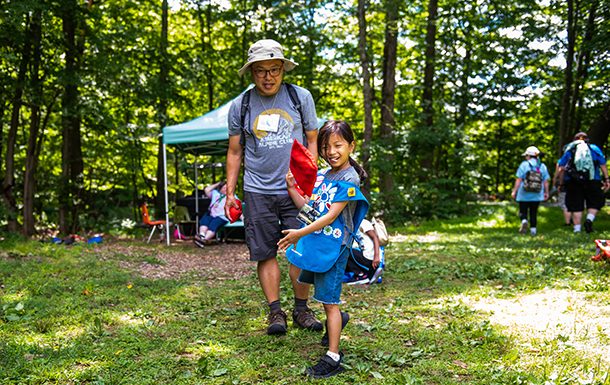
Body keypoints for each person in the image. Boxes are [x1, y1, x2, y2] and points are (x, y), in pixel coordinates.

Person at [224, 39, 321, 335]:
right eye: (261, 71)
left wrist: (311, 183)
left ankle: (301, 310)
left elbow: (313, 139)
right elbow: (234, 151)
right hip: (257, 190)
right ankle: (275, 312)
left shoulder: (300, 97)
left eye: (274, 69)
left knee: (300, 250)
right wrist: (229, 192)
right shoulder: (241, 106)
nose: (268, 77)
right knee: (265, 252)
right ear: (252, 73)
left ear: (283, 70)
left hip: (296, 190)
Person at [279, 120, 369, 379]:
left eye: (338, 145)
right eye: (326, 147)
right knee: (323, 296)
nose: (331, 151)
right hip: (318, 247)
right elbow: (310, 211)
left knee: (328, 302)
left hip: (334, 249)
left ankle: (333, 357)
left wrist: (298, 233)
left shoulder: (349, 178)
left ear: (351, 146)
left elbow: (330, 217)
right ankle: (338, 318)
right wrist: (291, 189)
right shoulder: (323, 176)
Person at [557, 132, 610, 233]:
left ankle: (577, 229)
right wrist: (606, 179)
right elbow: (603, 165)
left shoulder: (570, 149)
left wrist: (561, 183)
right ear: (587, 140)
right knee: (594, 202)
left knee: (576, 204)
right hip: (593, 179)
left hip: (573, 180)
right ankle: (589, 219)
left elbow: (562, 168)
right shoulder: (594, 149)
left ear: (574, 140)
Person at [511, 146, 550, 235]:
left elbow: (519, 179)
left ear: (528, 155)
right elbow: (546, 181)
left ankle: (524, 221)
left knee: (523, 210)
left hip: (524, 192)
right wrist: (546, 192)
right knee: (533, 212)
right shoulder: (542, 166)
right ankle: (533, 231)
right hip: (537, 192)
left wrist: (514, 191)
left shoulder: (524, 165)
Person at [193, 181, 232, 247]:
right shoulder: (215, 193)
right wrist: (217, 184)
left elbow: (238, 208)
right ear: (220, 189)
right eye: (224, 188)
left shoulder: (231, 196)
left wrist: (243, 218)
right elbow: (206, 189)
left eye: (227, 188)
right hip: (211, 214)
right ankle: (201, 235)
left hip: (222, 217)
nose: (225, 189)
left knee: (213, 225)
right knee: (204, 220)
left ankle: (204, 239)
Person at [344, 218, 383, 285]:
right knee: (343, 256)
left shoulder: (363, 222)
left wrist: (376, 257)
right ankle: (367, 273)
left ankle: (361, 275)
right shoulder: (353, 223)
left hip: (370, 257)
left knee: (345, 252)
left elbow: (375, 237)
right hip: (366, 256)